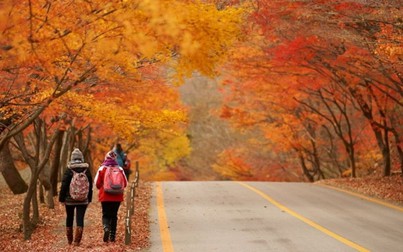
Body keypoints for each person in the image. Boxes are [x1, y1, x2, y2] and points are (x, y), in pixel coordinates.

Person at [59, 148, 93, 246]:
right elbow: (90, 185)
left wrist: (61, 199)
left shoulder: (69, 169)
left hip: (69, 199)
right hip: (83, 199)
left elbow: (64, 184)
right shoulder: (86, 169)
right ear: (81, 158)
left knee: (69, 217)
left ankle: (69, 240)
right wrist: (89, 198)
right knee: (80, 218)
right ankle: (77, 241)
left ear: (72, 158)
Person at [94, 150, 128, 242]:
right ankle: (112, 236)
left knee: (105, 214)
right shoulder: (120, 169)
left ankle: (106, 228)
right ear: (115, 158)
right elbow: (125, 183)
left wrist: (102, 186)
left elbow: (96, 183)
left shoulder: (102, 168)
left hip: (105, 195)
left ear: (106, 158)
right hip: (117, 196)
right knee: (114, 215)